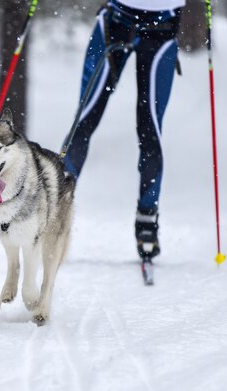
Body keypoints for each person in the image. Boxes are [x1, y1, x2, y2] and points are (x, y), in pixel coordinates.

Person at [62, 0, 186, 261]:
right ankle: (55, 208)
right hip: (116, 21)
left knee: (150, 128)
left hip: (162, 28)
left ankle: (147, 219)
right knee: (84, 119)